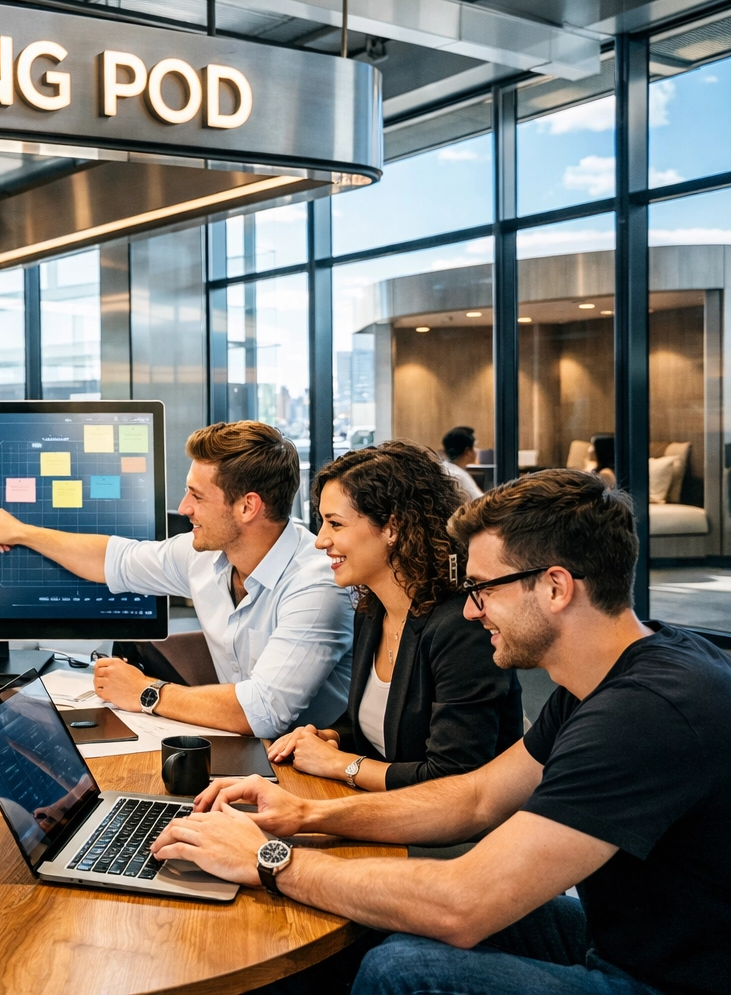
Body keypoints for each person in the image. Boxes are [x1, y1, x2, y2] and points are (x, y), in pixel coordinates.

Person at [150, 469, 731, 995]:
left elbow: (465, 905)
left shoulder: (643, 712)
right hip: (631, 938)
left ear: (556, 587)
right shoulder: (605, 677)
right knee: (379, 915)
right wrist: (303, 819)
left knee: (401, 971)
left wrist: (272, 859)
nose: (473, 611)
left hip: (670, 980)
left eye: (485, 589)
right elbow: (476, 798)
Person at [0, 421, 352, 738]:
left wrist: (144, 692)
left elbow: (263, 713)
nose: (184, 508)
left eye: (197, 496)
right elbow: (114, 559)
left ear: (247, 506)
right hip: (246, 750)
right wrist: (20, 532)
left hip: (313, 770)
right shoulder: (207, 555)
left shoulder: (317, 584)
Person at [267, 442, 523, 792]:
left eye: (335, 524)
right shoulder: (372, 610)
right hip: (391, 811)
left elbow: (452, 778)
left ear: (393, 527)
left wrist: (341, 764)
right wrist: (330, 737)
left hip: (457, 839)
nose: (320, 540)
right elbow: (379, 730)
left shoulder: (462, 627)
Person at [441, 425, 482, 502]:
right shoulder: (459, 476)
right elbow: (480, 502)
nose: (477, 450)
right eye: (474, 446)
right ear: (468, 451)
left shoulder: (445, 467)